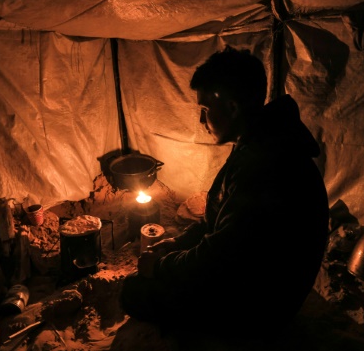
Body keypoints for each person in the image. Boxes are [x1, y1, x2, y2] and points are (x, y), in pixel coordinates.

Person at [120, 46, 329, 334]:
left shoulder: (265, 164)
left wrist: (162, 267)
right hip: (254, 277)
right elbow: (219, 227)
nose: (201, 122)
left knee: (133, 291)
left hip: (263, 305)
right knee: (157, 273)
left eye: (205, 110)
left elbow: (221, 258)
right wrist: (176, 245)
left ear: (232, 107)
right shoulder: (261, 142)